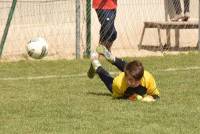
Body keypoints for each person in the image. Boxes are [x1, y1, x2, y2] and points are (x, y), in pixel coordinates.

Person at [87, 45, 160, 102]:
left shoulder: (148, 79)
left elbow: (156, 95)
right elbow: (118, 97)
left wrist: (150, 97)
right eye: (129, 80)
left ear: (140, 79)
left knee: (132, 68)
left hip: (130, 75)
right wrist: (129, 97)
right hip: (118, 84)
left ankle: (113, 59)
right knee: (106, 77)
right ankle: (95, 63)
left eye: (134, 81)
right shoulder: (118, 84)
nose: (130, 82)